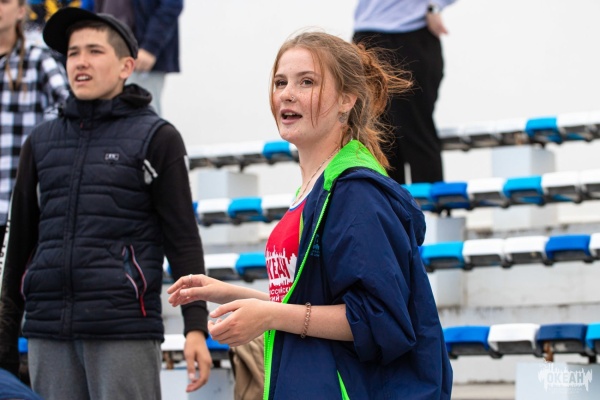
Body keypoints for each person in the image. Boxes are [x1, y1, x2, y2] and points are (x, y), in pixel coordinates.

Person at [168, 31, 452, 399]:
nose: (287, 94)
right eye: (280, 82)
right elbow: (313, 303)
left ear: (346, 100)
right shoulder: (316, 187)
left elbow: (379, 319)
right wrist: (230, 293)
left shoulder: (356, 193)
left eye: (307, 82)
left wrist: (269, 315)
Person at [0, 7, 212, 399]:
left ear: (126, 66)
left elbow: (182, 239)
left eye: (94, 51)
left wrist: (195, 326)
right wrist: (5, 340)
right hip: (48, 331)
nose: (80, 61)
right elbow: (18, 248)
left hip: (123, 328)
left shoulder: (158, 137)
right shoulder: (40, 141)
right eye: (72, 53)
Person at [353, 0, 457, 184]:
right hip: (366, 36)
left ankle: (427, 203)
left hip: (409, 35)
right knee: (380, 140)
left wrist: (435, 6)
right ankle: (387, 203)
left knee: (415, 133)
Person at [0, 0, 69, 261]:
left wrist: (41, 136)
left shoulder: (38, 59)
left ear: (21, 11)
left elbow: (69, 108)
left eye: (4, 2)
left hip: (17, 201)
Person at [94, 0, 183, 116]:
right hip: (109, 52)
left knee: (144, 115)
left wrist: (150, 47)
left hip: (141, 59)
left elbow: (171, 6)